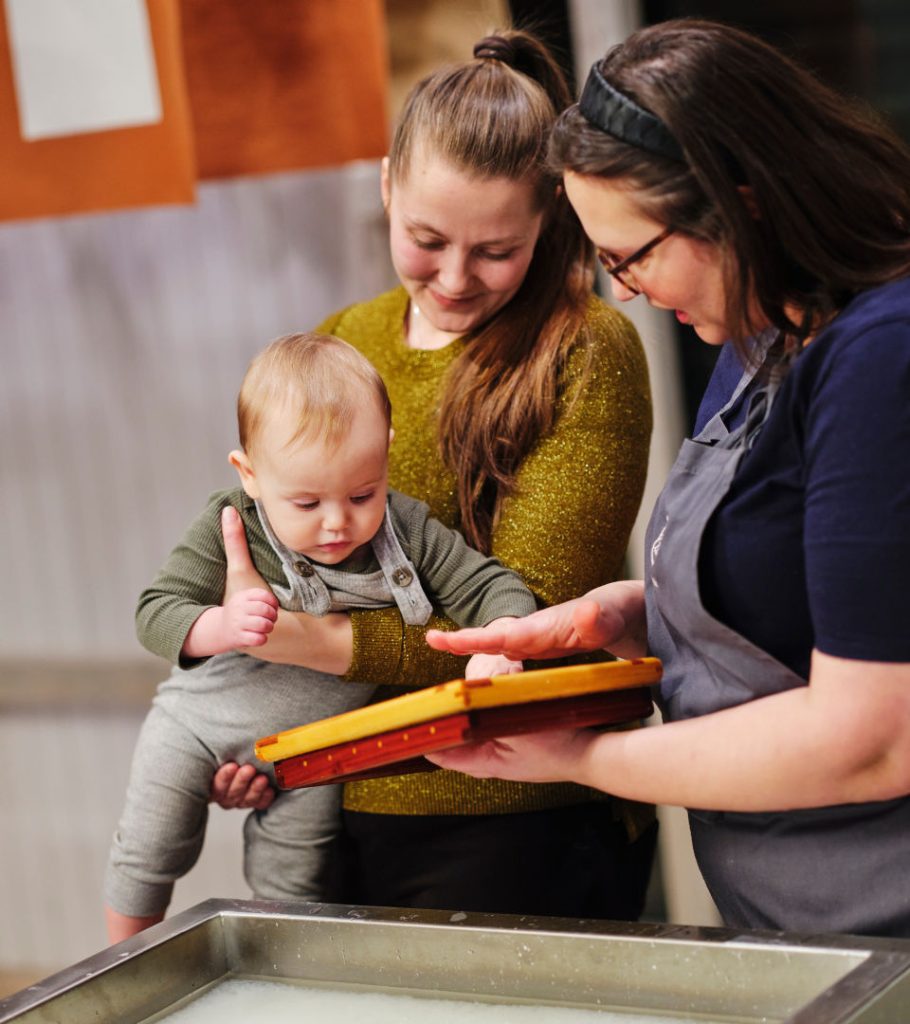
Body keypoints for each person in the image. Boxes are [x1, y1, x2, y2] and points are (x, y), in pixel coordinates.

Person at [424, 19, 910, 938]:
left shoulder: (881, 357)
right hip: (798, 923)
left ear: (740, 203)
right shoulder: (759, 328)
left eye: (629, 259)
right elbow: (822, 588)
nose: (627, 295)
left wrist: (582, 755)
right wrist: (633, 612)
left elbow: (873, 738)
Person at [211, 30, 656, 919]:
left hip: (520, 816)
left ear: (549, 219)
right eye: (424, 238)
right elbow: (278, 557)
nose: (453, 278)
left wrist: (305, 642)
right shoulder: (344, 340)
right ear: (384, 187)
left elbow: (527, 626)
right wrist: (239, 731)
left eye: (496, 250)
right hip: (331, 798)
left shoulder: (584, 349)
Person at [103, 332, 537, 943]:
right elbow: (154, 611)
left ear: (385, 455)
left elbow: (494, 587)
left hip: (312, 752)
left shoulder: (406, 530)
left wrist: (500, 642)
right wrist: (221, 626)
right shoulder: (230, 522)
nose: (338, 523)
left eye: (362, 494)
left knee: (294, 881)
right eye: (305, 502)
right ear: (249, 475)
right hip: (196, 726)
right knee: (151, 846)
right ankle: (121, 961)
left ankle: (282, 978)